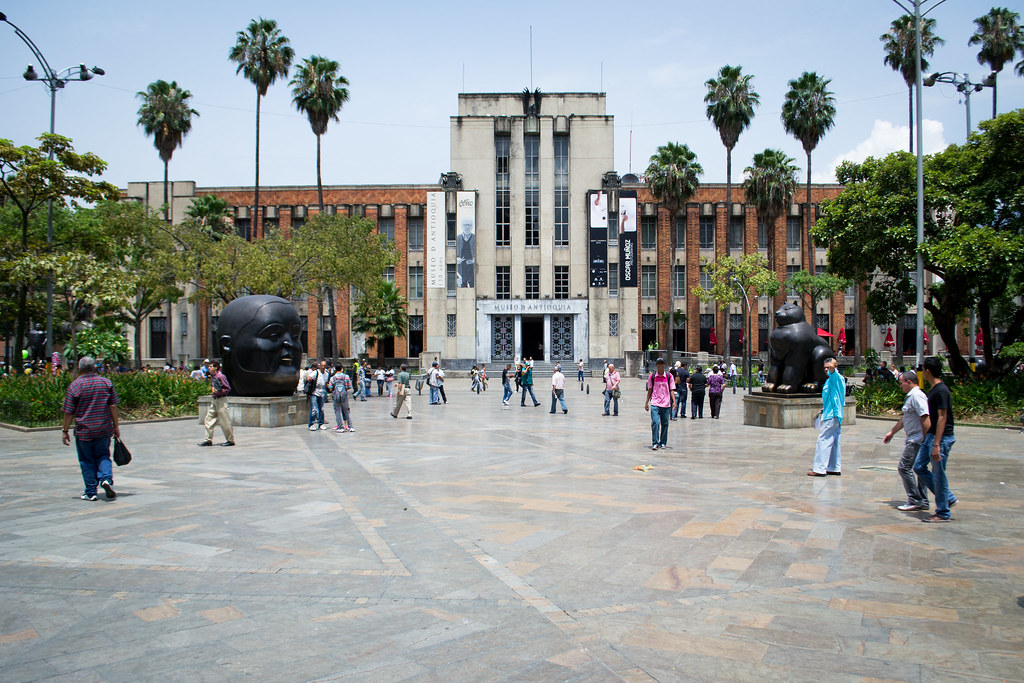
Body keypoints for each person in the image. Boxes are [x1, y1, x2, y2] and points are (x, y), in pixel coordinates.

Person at [62, 356, 120, 500]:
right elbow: (113, 406)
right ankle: (106, 479)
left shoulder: (75, 386)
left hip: (84, 431)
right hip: (103, 428)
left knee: (86, 460)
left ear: (80, 369)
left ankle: (91, 492)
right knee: (103, 455)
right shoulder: (106, 383)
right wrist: (116, 426)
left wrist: (65, 431)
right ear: (95, 368)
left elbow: (68, 411)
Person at [913, 357, 959, 522]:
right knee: (918, 466)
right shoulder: (934, 389)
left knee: (938, 474)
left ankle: (943, 512)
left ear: (928, 371)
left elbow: (942, 417)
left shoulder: (941, 390)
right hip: (932, 436)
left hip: (942, 437)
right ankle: (948, 497)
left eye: (924, 369)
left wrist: (937, 444)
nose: (923, 373)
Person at [883, 371, 930, 511]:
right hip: (915, 438)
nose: (900, 386)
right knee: (919, 469)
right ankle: (922, 500)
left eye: (901, 382)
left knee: (904, 467)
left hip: (917, 440)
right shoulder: (911, 397)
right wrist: (892, 432)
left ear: (909, 382)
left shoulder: (917, 396)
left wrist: (927, 440)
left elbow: (925, 416)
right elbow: (905, 419)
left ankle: (915, 499)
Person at [808, 357, 845, 476]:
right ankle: (834, 467)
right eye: (824, 368)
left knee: (823, 440)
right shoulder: (831, 380)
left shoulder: (836, 378)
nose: (826, 370)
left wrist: (832, 365)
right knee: (834, 441)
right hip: (832, 413)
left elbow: (834, 371)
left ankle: (819, 468)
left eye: (828, 367)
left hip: (832, 415)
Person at [198, 361, 235, 447]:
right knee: (208, 419)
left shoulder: (221, 376)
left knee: (225, 421)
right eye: (209, 367)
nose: (209, 368)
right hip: (214, 400)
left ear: (216, 368)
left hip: (221, 400)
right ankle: (208, 440)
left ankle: (230, 440)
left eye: (211, 366)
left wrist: (219, 391)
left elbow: (227, 389)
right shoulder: (213, 377)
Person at [644, 358, 676, 450]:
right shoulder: (652, 376)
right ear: (656, 365)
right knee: (655, 422)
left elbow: (671, 390)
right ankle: (655, 442)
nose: (660, 365)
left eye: (662, 364)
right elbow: (650, 389)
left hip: (666, 403)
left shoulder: (669, 376)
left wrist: (674, 401)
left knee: (665, 424)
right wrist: (646, 402)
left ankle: (663, 442)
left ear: (664, 365)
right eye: (659, 364)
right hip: (655, 402)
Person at [328, 363, 354, 432]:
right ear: (342, 369)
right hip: (344, 396)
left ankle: (340, 427)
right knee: (347, 411)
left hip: (336, 396)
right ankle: (350, 426)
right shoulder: (346, 376)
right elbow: (349, 386)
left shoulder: (332, 378)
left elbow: (330, 388)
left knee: (337, 412)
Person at [307, 360, 331, 431]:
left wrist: (329, 387)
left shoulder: (327, 373)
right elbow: (309, 377)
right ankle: (311, 424)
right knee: (314, 409)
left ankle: (321, 423)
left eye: (324, 366)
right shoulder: (316, 372)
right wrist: (309, 378)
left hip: (322, 393)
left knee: (321, 409)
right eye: (321, 365)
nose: (323, 367)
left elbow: (326, 382)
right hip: (315, 392)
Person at [455, 215, 475, 287]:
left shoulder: (475, 238)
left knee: (473, 286)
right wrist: (457, 259)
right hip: (461, 268)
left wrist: (475, 260)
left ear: (472, 226)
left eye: (469, 225)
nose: (467, 227)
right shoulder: (457, 238)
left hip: (472, 268)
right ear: (461, 226)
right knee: (462, 287)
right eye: (465, 225)